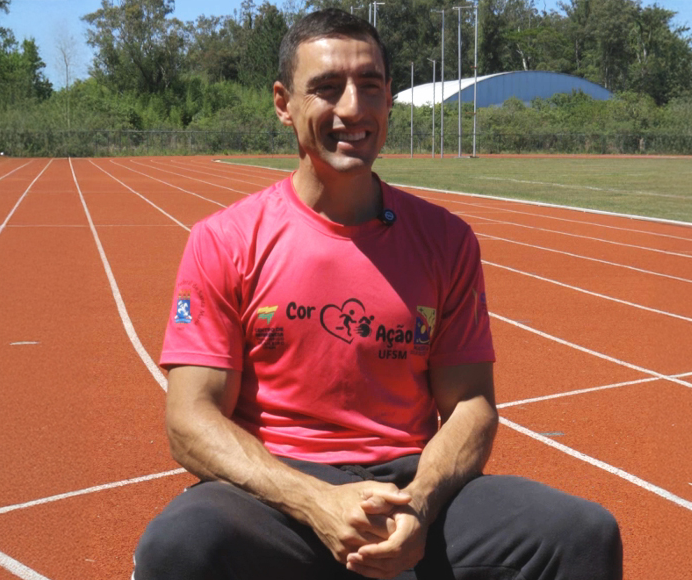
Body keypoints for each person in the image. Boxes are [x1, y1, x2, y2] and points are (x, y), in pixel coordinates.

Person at [133, 9, 622, 580]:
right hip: (276, 493)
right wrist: (314, 501)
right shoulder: (225, 240)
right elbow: (189, 419)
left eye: (370, 86)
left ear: (389, 98)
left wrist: (420, 503)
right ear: (283, 103)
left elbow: (470, 405)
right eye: (326, 88)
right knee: (179, 545)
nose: (353, 108)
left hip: (408, 486)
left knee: (582, 534)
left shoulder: (445, 240)